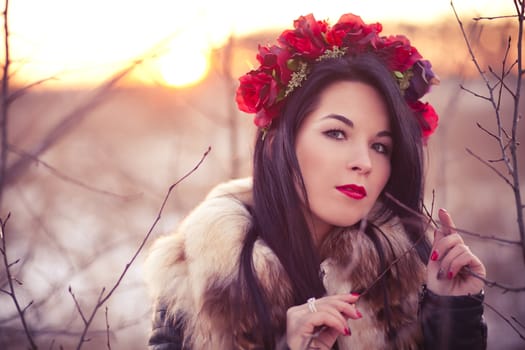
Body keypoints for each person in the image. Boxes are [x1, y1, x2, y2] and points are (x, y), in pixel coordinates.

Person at [143, 13, 487, 350]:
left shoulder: (408, 268)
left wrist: (454, 312)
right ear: (281, 141)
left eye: (380, 146)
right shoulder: (203, 270)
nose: (364, 163)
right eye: (336, 133)